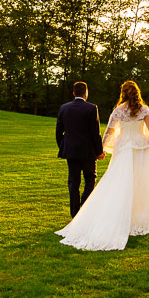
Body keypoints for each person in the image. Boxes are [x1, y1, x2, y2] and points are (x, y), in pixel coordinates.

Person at [56, 80, 149, 251]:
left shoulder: (118, 111)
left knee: (117, 184)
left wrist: (102, 149)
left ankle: (105, 215)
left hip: (123, 150)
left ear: (123, 93)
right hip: (140, 151)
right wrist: (145, 144)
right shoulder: (144, 110)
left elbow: (109, 132)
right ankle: (136, 218)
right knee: (141, 184)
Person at [55, 81, 105, 218]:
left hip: (71, 152)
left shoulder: (64, 108)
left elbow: (58, 132)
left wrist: (64, 146)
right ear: (86, 93)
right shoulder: (91, 108)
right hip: (88, 152)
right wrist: (99, 151)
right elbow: (96, 133)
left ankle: (74, 213)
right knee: (90, 178)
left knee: (73, 181)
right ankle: (85, 208)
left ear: (73, 93)